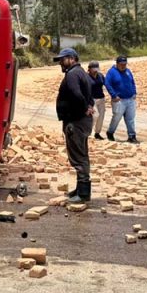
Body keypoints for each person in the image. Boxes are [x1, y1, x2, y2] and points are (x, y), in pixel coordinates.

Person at [53, 47, 95, 203]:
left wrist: (84, 108)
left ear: (72, 58)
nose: (61, 63)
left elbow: (77, 94)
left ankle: (83, 193)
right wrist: (88, 106)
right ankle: (79, 189)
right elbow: (89, 94)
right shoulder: (81, 73)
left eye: (63, 60)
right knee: (81, 155)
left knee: (79, 157)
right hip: (80, 121)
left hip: (76, 123)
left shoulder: (72, 75)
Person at [105, 55, 139, 144]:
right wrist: (113, 95)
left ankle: (132, 136)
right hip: (119, 100)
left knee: (130, 119)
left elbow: (132, 82)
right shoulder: (112, 72)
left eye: (125, 64)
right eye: (121, 64)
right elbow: (107, 84)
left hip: (130, 99)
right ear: (117, 64)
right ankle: (110, 132)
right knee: (116, 118)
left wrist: (134, 92)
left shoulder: (128, 71)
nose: (123, 66)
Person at [87, 61, 107, 140]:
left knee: (101, 117)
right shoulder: (86, 77)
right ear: (89, 69)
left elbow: (106, 84)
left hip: (101, 98)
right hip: (92, 99)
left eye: (96, 69)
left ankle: (97, 133)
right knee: (95, 116)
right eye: (93, 69)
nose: (95, 71)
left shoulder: (101, 76)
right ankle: (88, 132)